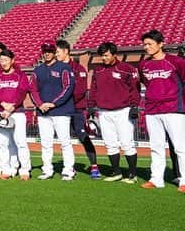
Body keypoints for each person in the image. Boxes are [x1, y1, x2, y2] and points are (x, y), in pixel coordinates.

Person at [137, 29, 185, 191]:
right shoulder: (143, 64)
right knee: (156, 146)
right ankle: (156, 179)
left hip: (174, 109)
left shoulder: (176, 62)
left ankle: (184, 180)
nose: (146, 47)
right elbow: (146, 83)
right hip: (151, 109)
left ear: (161, 44)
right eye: (144, 44)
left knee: (180, 147)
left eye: (150, 44)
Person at [89, 42, 140, 183]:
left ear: (114, 54)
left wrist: (135, 106)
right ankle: (116, 172)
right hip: (104, 112)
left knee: (126, 143)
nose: (103, 58)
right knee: (110, 144)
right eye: (101, 56)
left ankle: (132, 174)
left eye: (106, 55)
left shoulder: (127, 69)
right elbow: (93, 90)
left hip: (123, 111)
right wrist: (91, 106)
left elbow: (134, 89)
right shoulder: (97, 71)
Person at [0, 49, 32, 180]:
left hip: (17, 112)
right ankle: (6, 169)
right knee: (2, 142)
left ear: (12, 60)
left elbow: (22, 92)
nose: (4, 63)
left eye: (6, 60)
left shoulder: (20, 75)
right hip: (1, 112)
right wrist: (3, 104)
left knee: (20, 142)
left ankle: (24, 170)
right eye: (1, 60)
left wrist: (12, 106)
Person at [31, 41, 76, 181]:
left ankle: (68, 170)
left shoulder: (64, 68)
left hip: (61, 111)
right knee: (45, 143)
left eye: (50, 51)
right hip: (43, 112)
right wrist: (40, 104)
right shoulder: (37, 70)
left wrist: (53, 103)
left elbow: (68, 87)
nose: (47, 53)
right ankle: (47, 169)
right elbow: (33, 89)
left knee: (65, 142)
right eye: (45, 51)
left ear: (54, 52)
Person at [56, 39, 101, 179]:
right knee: (64, 139)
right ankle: (70, 167)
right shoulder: (54, 69)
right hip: (60, 110)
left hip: (76, 109)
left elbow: (80, 90)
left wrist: (62, 101)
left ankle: (94, 166)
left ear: (66, 52)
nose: (55, 54)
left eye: (57, 52)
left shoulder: (78, 69)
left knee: (83, 136)